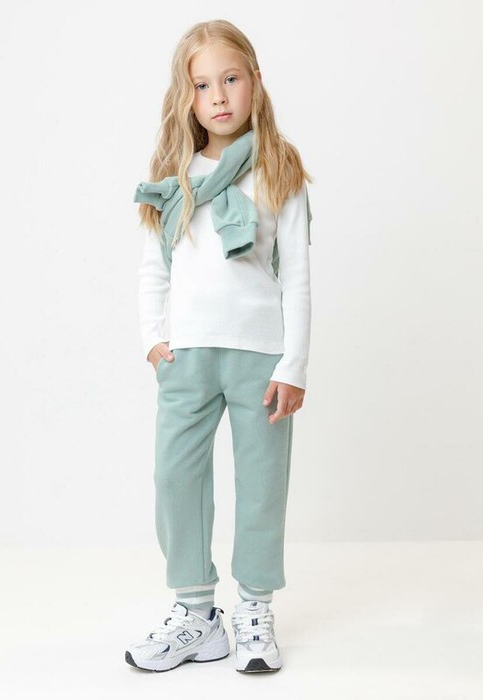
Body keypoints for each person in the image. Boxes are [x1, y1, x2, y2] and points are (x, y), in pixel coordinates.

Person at [125, 18, 313, 674]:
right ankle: (196, 614)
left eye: (230, 79)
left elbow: (297, 276)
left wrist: (294, 363)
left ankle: (254, 609)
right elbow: (154, 267)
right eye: (202, 85)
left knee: (261, 485)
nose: (219, 96)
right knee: (175, 477)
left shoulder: (278, 170)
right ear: (187, 96)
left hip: (260, 355)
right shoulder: (172, 175)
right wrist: (154, 339)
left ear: (254, 81)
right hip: (187, 355)